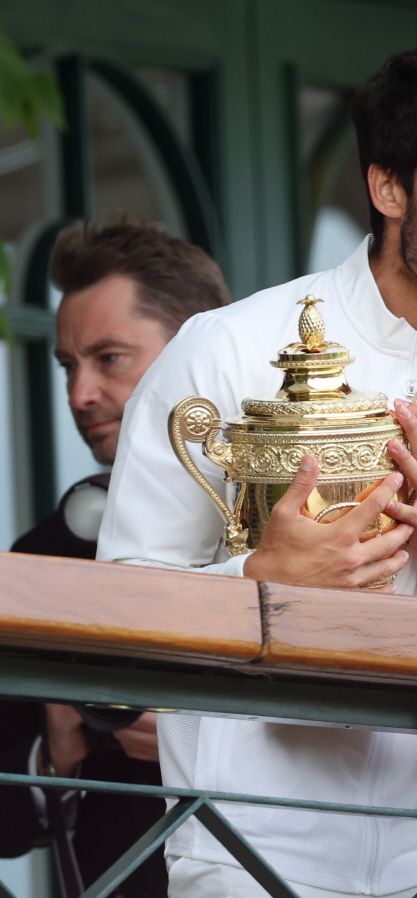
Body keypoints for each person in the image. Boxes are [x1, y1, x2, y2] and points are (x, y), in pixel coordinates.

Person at [98, 44, 417, 898]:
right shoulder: (225, 350)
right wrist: (259, 579)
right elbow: (123, 601)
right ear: (387, 188)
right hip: (244, 849)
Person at [0, 220, 230, 897]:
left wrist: (210, 745)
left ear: (201, 350)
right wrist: (56, 750)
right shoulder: (47, 552)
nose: (79, 395)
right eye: (69, 365)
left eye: (109, 359)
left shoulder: (304, 526)